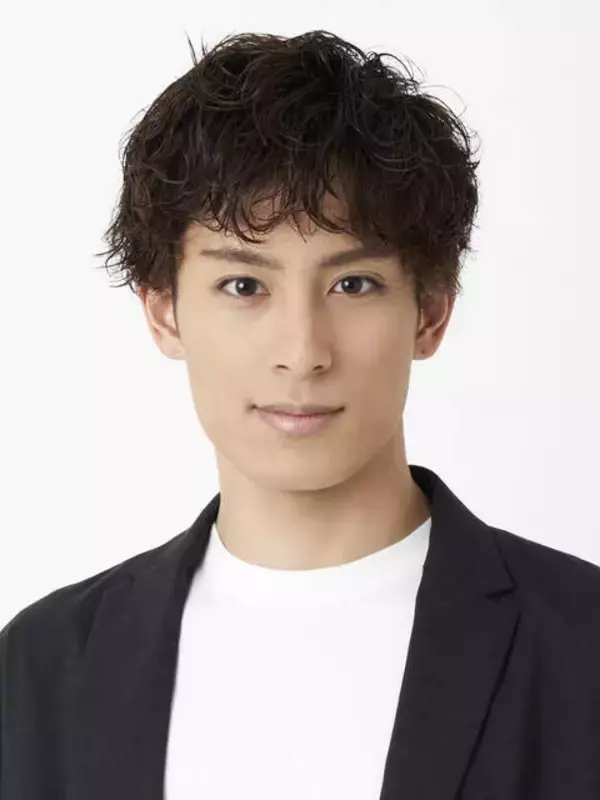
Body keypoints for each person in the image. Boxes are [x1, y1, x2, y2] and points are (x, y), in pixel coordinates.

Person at [1, 29, 599, 800]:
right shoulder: (43, 669)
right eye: (243, 286)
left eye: (354, 285)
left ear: (431, 312)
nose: (303, 352)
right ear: (163, 312)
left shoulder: (582, 648)